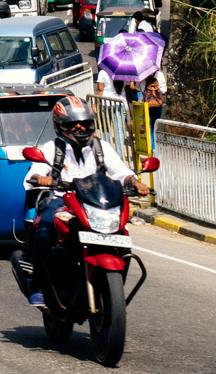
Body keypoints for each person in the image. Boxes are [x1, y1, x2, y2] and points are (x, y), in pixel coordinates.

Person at [22, 96, 140, 309]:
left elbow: (121, 172)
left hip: (96, 204)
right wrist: (43, 178)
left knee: (123, 235)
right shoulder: (52, 148)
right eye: (72, 125)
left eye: (84, 124)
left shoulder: (101, 147)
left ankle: (112, 288)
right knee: (46, 225)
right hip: (62, 202)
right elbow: (35, 173)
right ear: (60, 126)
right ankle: (38, 285)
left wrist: (134, 181)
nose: (80, 128)